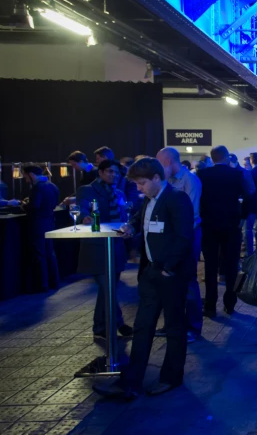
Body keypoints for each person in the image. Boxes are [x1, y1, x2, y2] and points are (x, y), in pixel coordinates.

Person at [93, 157, 194, 400]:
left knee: (174, 328)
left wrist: (169, 268)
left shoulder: (177, 199)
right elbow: (140, 219)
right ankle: (130, 382)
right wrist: (131, 227)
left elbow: (184, 237)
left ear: (157, 178)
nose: (139, 189)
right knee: (142, 327)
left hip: (170, 275)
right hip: (150, 273)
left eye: (142, 183)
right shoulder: (150, 198)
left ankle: (171, 377)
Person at [76, 160, 133, 338]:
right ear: (100, 172)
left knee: (107, 289)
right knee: (107, 287)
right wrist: (85, 218)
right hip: (96, 247)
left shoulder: (119, 192)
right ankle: (119, 323)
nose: (113, 175)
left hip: (115, 245)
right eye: (109, 172)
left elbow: (125, 216)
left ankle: (99, 328)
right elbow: (82, 210)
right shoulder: (88, 190)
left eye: (116, 172)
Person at [156, 147, 203, 343]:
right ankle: (172, 324)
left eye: (160, 162)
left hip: (188, 235)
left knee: (189, 281)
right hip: (173, 236)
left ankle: (193, 328)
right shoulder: (168, 182)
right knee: (170, 283)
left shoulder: (190, 180)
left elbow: (190, 214)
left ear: (167, 161)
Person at [197, 146, 247, 317]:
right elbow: (248, 196)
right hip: (231, 224)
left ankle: (210, 305)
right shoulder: (237, 174)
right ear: (226, 157)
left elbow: (198, 199)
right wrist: (243, 216)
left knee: (210, 266)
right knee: (231, 265)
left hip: (209, 224)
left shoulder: (203, 175)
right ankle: (230, 303)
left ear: (212, 158)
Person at [19, 164, 60, 292]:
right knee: (50, 253)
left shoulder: (37, 187)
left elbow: (34, 206)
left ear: (31, 174)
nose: (25, 180)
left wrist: (24, 205)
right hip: (50, 222)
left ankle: (43, 284)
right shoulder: (52, 185)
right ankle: (54, 281)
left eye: (25, 177)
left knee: (39, 254)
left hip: (37, 224)